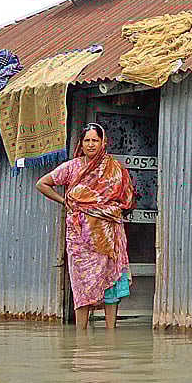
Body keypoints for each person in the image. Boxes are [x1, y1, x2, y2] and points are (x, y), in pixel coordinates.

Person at [36, 123, 135, 329]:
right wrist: (64, 201)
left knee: (111, 282)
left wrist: (105, 210)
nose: (91, 144)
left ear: (103, 142)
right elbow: (42, 183)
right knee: (82, 284)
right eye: (87, 140)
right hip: (80, 238)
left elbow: (127, 199)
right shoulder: (72, 167)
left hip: (108, 235)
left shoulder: (115, 168)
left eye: (95, 140)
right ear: (81, 144)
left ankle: (111, 334)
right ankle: (81, 336)